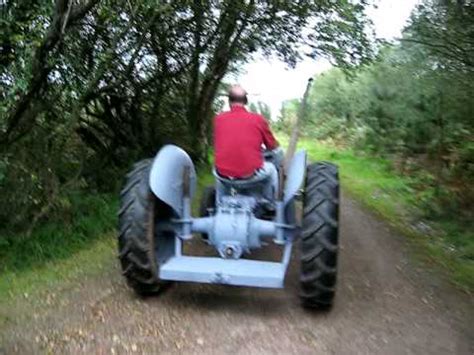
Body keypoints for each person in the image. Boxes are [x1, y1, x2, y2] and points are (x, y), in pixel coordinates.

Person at [213, 84, 282, 198]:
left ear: (229, 101)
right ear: (246, 101)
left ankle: (219, 203)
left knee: (219, 170)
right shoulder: (258, 119)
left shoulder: (218, 119)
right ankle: (270, 204)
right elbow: (272, 146)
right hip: (249, 176)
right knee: (272, 170)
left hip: (223, 176)